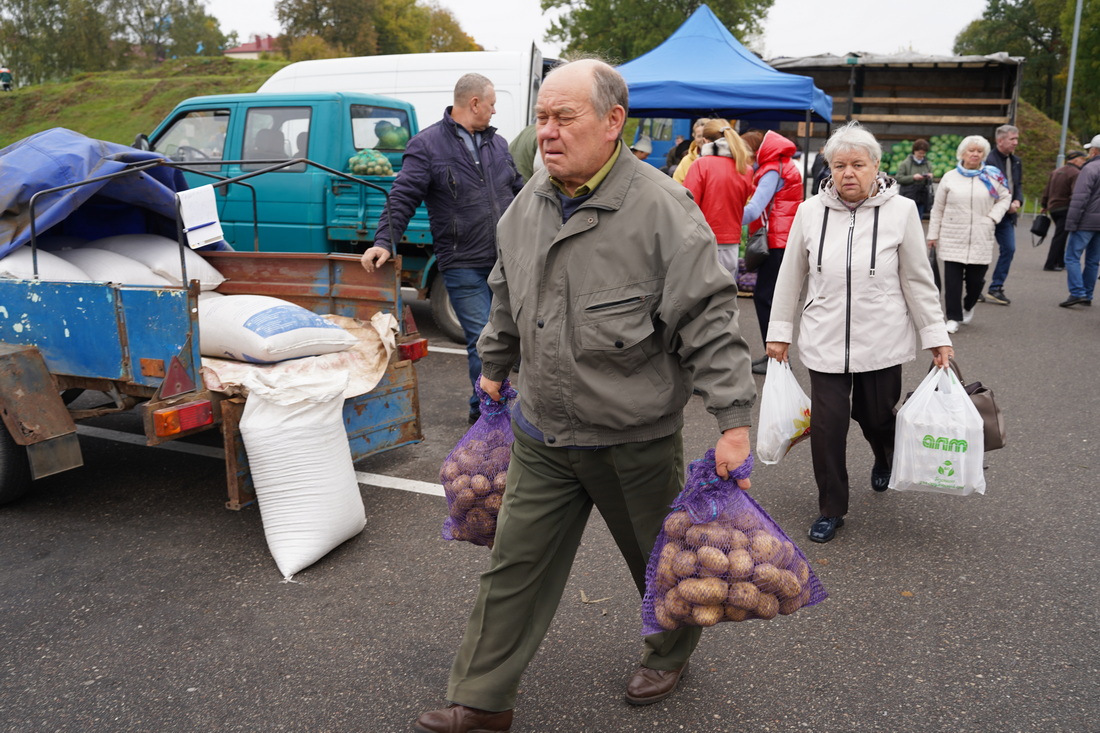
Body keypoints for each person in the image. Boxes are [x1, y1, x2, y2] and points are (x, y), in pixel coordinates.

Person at [412, 59, 757, 733]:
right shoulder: (530, 203)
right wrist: (493, 365)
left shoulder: (661, 209)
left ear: (613, 122)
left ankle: (671, 649)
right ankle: (482, 699)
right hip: (542, 429)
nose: (547, 132)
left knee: (660, 558)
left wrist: (734, 420)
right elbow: (508, 294)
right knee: (513, 566)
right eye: (541, 117)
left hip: (633, 436)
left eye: (565, 117)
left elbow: (709, 320)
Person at [766, 121, 953, 544]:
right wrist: (779, 332)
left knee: (876, 417)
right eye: (839, 165)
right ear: (828, 168)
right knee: (828, 427)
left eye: (857, 164)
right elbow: (790, 275)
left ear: (876, 167)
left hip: (882, 340)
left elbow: (918, 281)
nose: (848, 173)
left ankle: (885, 455)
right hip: (824, 338)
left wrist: (936, 336)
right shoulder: (809, 211)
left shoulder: (901, 211)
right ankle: (831, 507)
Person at [360, 73, 525, 424]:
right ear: (474, 103)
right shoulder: (428, 145)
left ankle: (481, 403)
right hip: (462, 260)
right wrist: (383, 242)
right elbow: (403, 195)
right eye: (492, 103)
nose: (495, 111)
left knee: (508, 340)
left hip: (504, 260)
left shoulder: (498, 145)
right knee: (483, 340)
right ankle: (488, 415)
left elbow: (519, 190)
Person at [926, 135, 1011, 334]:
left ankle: (969, 304)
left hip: (981, 234)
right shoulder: (950, 177)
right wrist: (933, 235)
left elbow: (1005, 197)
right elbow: (937, 208)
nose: (975, 154)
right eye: (971, 150)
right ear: (962, 153)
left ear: (984, 155)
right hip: (952, 234)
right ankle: (953, 317)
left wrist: (992, 218)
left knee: (975, 282)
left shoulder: (992, 176)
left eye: (979, 151)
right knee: (952, 283)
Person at [743, 130, 803, 375]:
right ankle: (775, 356)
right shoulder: (781, 165)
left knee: (766, 298)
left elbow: (755, 208)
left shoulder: (771, 170)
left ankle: (776, 358)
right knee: (772, 298)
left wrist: (723, 215)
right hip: (783, 239)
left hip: (777, 241)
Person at [682, 119, 755, 276]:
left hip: (703, 241)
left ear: (706, 140)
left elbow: (687, 206)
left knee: (700, 295)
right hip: (732, 241)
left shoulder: (700, 165)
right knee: (725, 295)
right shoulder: (745, 169)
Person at [984, 124, 1023, 305]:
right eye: (1012, 139)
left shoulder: (1016, 161)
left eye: (1016, 138)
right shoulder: (988, 160)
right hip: (989, 213)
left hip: (1007, 216)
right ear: (1000, 141)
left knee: (1009, 248)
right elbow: (988, 189)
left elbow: (1018, 184)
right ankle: (974, 287)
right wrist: (1007, 204)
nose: (1016, 142)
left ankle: (996, 287)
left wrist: (1018, 201)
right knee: (982, 251)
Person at [1060, 135, 1100, 308]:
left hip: (1086, 221)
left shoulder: (1090, 168)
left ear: (1094, 150)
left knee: (1072, 256)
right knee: (1093, 260)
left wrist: (1071, 223)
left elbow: (1080, 197)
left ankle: (1077, 292)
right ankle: (1088, 294)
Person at [1040, 150, 1086, 271]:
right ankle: (1050, 263)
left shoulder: (1056, 171)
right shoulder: (1076, 173)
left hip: (1053, 208)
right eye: (1082, 160)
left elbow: (1047, 190)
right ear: (1076, 160)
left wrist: (1044, 204)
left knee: (1061, 235)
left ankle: (1060, 262)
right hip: (1065, 208)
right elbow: (1075, 193)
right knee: (1060, 237)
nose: (1083, 162)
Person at [896, 139, 934, 220]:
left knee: (918, 218)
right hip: (908, 195)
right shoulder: (905, 163)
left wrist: (929, 177)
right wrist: (913, 177)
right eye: (919, 153)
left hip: (922, 195)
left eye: (923, 153)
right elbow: (898, 178)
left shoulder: (928, 164)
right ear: (914, 151)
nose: (921, 155)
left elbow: (929, 182)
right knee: (907, 218)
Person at [671, 118, 714, 183]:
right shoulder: (686, 161)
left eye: (707, 136)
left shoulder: (722, 159)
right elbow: (676, 186)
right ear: (694, 136)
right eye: (699, 136)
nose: (704, 140)